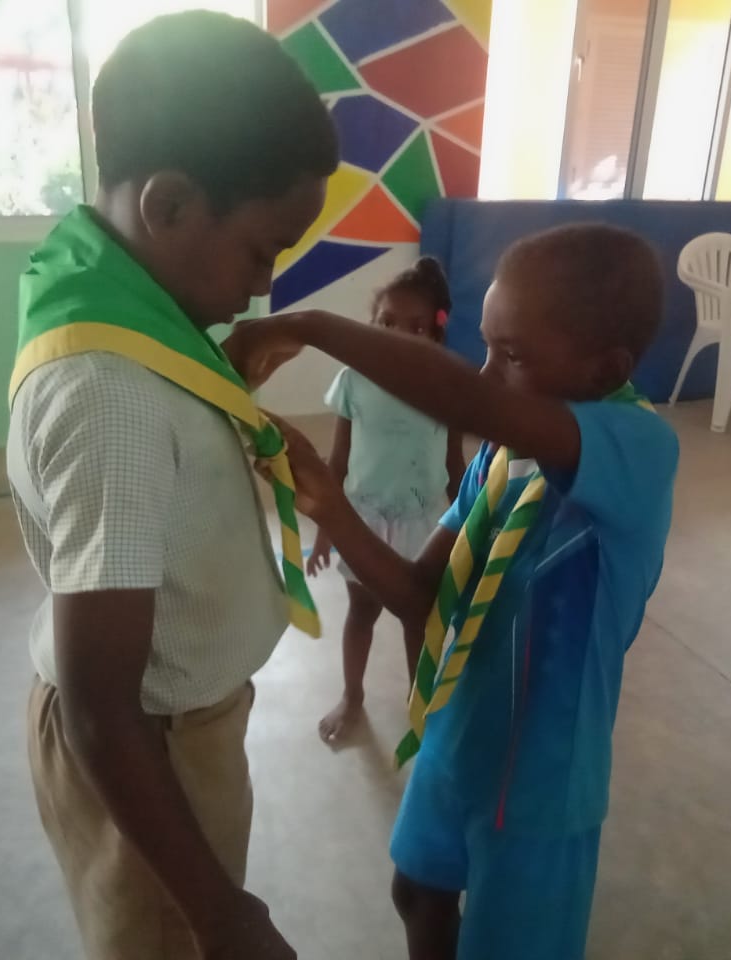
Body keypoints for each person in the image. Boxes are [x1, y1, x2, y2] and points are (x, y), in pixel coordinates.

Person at [5, 12, 337, 960]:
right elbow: (102, 698)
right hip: (147, 744)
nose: (264, 288)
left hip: (177, 726)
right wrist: (222, 912)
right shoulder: (111, 393)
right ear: (171, 205)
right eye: (262, 252)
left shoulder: (115, 290)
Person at [252, 222, 678, 959]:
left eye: (509, 356)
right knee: (416, 892)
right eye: (483, 346)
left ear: (605, 369)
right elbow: (422, 596)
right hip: (459, 733)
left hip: (542, 784)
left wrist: (315, 324)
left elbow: (470, 404)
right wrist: (330, 503)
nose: (483, 375)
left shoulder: (638, 448)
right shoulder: (503, 464)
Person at [308, 257, 467, 744]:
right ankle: (351, 696)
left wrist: (473, 531)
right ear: (371, 326)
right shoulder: (354, 380)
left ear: (436, 332)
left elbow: (458, 466)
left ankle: (423, 707)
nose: (397, 334)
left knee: (418, 619)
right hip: (366, 519)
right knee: (361, 612)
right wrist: (325, 529)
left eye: (414, 326)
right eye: (386, 323)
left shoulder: (448, 387)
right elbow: (336, 463)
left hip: (425, 525)